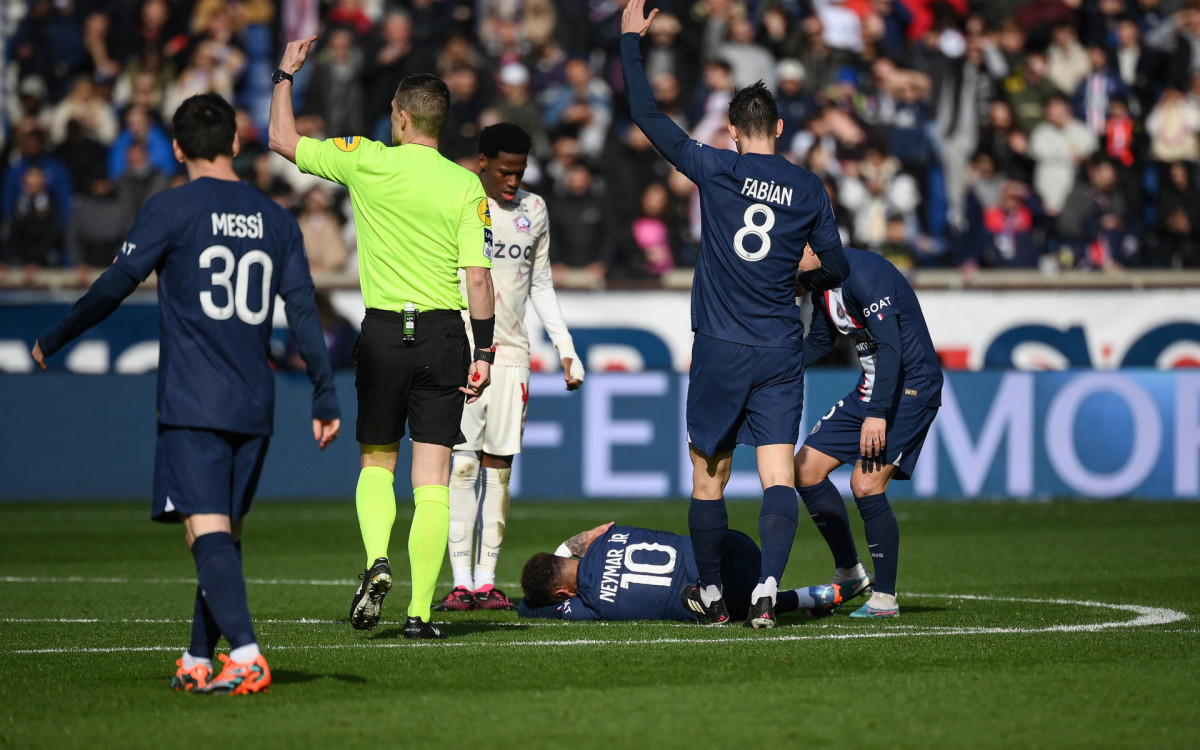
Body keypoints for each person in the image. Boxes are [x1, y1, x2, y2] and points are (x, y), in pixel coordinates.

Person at [31, 93, 342, 694]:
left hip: (194, 400)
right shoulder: (276, 219)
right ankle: (200, 658)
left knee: (205, 533)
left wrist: (56, 335)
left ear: (177, 148)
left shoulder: (170, 209)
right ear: (233, 143)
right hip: (257, 401)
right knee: (220, 533)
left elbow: (113, 287)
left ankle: (247, 654)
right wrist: (325, 396)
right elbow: (304, 311)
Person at [620, 0, 849, 629]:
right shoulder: (808, 188)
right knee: (778, 472)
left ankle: (716, 596)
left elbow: (645, 113)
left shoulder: (714, 166)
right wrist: (806, 274)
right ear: (777, 129)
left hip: (720, 344)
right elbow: (837, 268)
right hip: (779, 345)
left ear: (732, 130)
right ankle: (768, 589)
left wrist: (630, 44)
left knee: (708, 476)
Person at [269, 37, 496, 639]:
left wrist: (284, 76)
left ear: (400, 117)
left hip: (385, 331)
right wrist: (488, 350)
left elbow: (282, 142)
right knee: (434, 477)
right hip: (447, 333)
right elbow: (478, 277)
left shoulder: (367, 159)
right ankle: (421, 614)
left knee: (377, 461)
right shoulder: (465, 186)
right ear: (440, 124)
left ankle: (376, 561)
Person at [434, 123, 585, 613]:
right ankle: (459, 581)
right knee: (461, 463)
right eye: (505, 171)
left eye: (520, 172)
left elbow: (539, 282)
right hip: (462, 349)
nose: (513, 181)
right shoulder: (456, 200)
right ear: (481, 162)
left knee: (498, 467)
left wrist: (565, 346)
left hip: (513, 355)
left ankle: (485, 581)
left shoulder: (534, 210)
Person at [794, 244, 943, 619]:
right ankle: (850, 572)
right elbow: (818, 342)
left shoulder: (865, 272)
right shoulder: (821, 283)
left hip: (910, 388)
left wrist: (877, 414)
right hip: (872, 388)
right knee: (805, 470)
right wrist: (773, 365)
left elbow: (891, 348)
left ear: (810, 247)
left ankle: (885, 599)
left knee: (865, 483)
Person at [518, 522, 842, 622]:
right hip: (738, 547)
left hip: (729, 595)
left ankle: (807, 598)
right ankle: (810, 596)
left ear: (562, 592)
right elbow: (595, 532)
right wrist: (563, 549)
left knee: (731, 608)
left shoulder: (588, 604)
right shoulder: (607, 535)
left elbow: (529, 610)